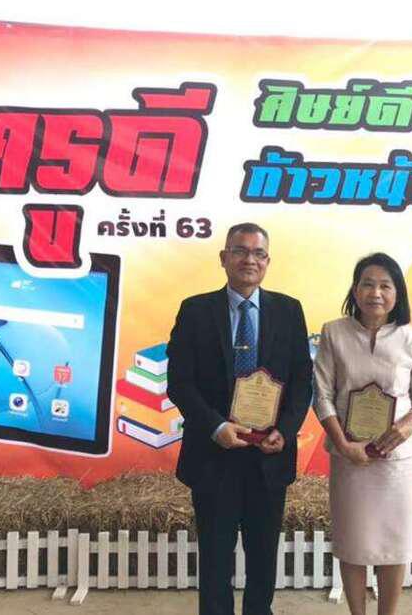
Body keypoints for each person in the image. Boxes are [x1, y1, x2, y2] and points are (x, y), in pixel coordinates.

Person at [167, 223, 313, 615]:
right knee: (215, 559)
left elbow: (303, 380)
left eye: (258, 253)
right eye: (240, 251)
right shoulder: (196, 311)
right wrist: (216, 426)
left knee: (263, 558)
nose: (250, 259)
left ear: (268, 261)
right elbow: (180, 383)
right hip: (213, 453)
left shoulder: (289, 310)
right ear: (224, 258)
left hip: (269, 455)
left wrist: (285, 430)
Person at [313, 253, 412, 615]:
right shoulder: (334, 332)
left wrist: (407, 425)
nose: (375, 293)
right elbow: (322, 395)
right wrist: (343, 444)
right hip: (350, 458)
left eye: (385, 285)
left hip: (398, 462)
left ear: (398, 293)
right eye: (367, 284)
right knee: (353, 543)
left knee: (395, 545)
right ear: (355, 290)